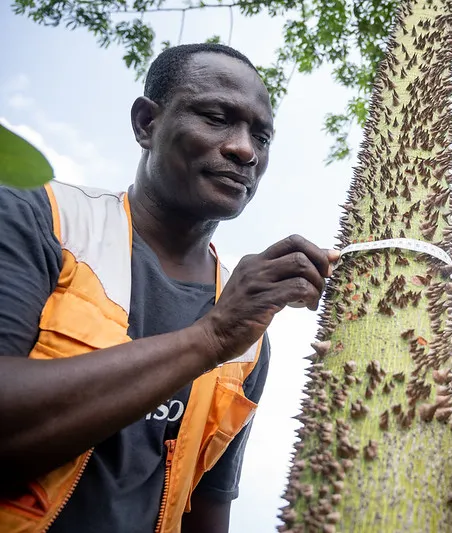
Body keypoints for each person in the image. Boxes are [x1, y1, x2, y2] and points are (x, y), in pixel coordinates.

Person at [0, 43, 337, 533]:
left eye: (261, 137)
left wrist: (230, 333)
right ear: (146, 124)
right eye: (218, 117)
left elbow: (206, 507)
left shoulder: (251, 341)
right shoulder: (40, 219)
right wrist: (211, 337)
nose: (244, 149)